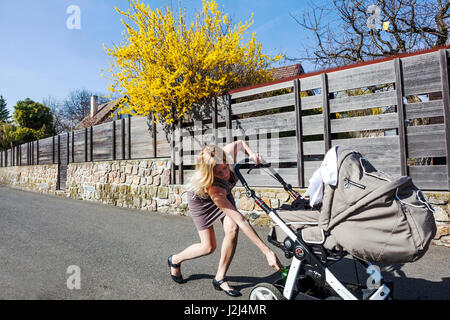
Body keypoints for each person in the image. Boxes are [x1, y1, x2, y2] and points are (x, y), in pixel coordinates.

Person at [168, 141, 282, 297]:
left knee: (232, 228)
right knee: (208, 247)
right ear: (210, 173)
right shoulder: (214, 188)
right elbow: (243, 220)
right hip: (202, 201)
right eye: (218, 172)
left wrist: (252, 154)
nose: (225, 174)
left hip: (224, 194)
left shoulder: (224, 155)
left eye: (224, 167)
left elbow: (241, 143)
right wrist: (267, 252)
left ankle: (220, 278)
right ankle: (175, 259)